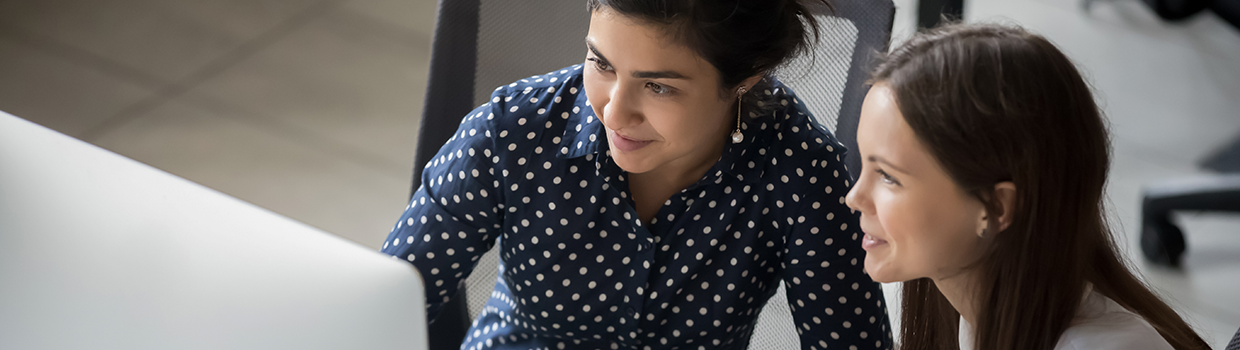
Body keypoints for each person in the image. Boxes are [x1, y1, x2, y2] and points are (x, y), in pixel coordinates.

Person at [380, 0, 894, 349]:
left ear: (745, 79)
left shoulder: (799, 171)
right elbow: (382, 304)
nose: (613, 112)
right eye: (600, 64)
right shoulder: (512, 129)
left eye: (659, 87)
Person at [844, 23, 1211, 350]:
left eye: (888, 176)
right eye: (864, 165)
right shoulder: (967, 309)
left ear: (997, 207)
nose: (854, 197)